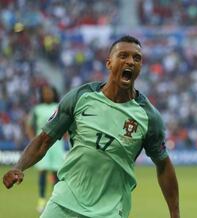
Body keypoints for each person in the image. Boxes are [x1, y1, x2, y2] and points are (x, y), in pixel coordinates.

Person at [3, 35, 180, 218]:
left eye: (137, 58)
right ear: (109, 63)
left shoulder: (148, 117)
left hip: (110, 211)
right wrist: (19, 167)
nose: (130, 61)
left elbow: (164, 164)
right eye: (123, 56)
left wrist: (175, 213)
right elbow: (43, 141)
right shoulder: (81, 97)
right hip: (64, 203)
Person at [26, 85, 66, 213]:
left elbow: (65, 122)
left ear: (54, 93)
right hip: (42, 143)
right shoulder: (37, 109)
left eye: (50, 92)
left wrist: (65, 135)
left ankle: (57, 200)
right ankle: (42, 200)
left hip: (56, 144)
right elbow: (29, 126)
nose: (48, 95)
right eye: (45, 93)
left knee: (56, 172)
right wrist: (33, 140)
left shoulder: (59, 106)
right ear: (41, 95)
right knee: (42, 171)